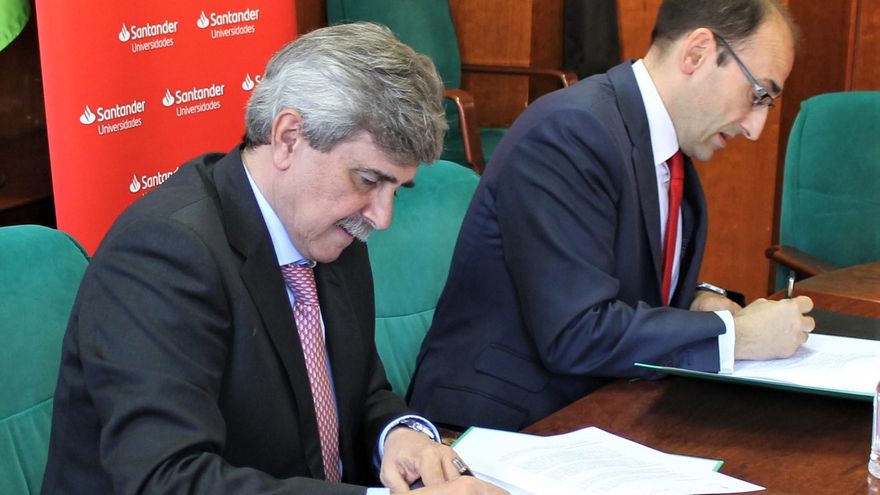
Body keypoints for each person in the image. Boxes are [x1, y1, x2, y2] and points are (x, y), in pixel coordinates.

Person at [41, 22, 505, 495]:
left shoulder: (331, 231)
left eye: (395, 189)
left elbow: (362, 392)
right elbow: (166, 480)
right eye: (368, 180)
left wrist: (400, 436)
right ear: (288, 137)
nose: (381, 217)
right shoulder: (164, 254)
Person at [408, 0, 815, 431]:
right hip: (500, 428)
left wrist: (699, 299)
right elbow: (577, 331)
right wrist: (736, 337)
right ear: (696, 53)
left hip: (602, 408)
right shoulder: (569, 132)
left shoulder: (662, 147)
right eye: (758, 95)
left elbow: (615, 276)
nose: (755, 128)